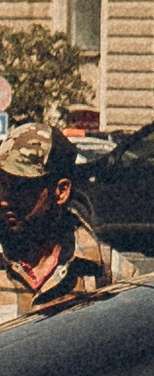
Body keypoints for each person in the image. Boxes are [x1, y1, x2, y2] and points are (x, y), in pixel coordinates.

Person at [0, 122, 131, 321]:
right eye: (1, 184)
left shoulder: (106, 272)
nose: (4, 199)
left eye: (20, 187)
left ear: (61, 191)